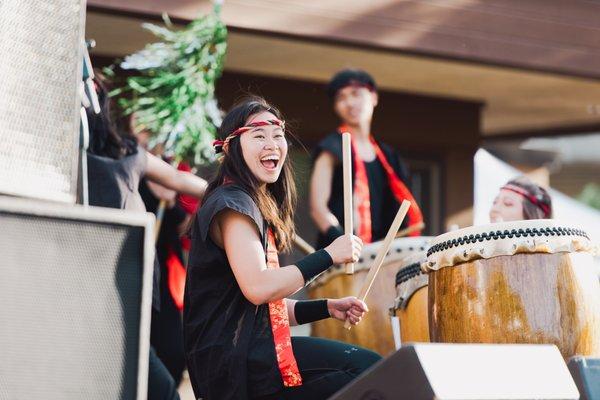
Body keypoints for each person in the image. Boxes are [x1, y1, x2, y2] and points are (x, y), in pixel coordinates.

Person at [184, 97, 382, 400]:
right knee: (367, 372)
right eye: (259, 136)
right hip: (237, 364)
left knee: (367, 371)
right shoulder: (232, 205)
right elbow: (259, 288)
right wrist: (328, 255)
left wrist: (327, 307)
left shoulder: (246, 202)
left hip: (246, 355)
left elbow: (264, 308)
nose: (272, 143)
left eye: (278, 135)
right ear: (229, 148)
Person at [85, 74, 208, 400]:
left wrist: (234, 197)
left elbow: (182, 184)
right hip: (87, 279)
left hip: (137, 275)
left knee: (164, 357)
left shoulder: (126, 152)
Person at [310, 69, 424, 250]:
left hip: (381, 257)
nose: (349, 103)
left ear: (373, 97)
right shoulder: (331, 147)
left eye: (355, 94)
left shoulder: (388, 156)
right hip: (341, 257)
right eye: (341, 98)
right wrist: (345, 244)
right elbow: (318, 209)